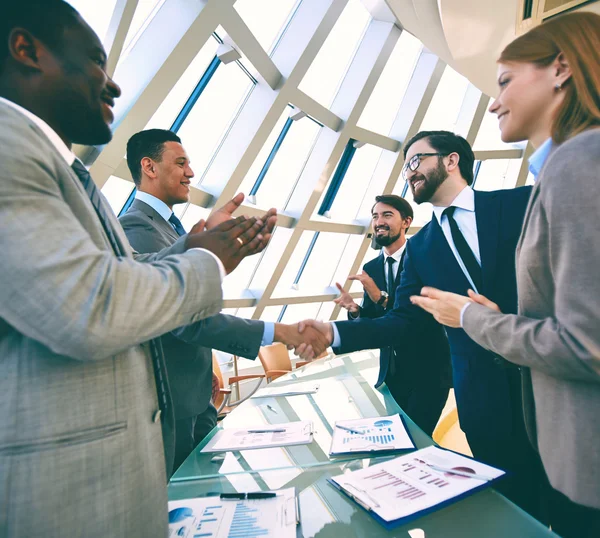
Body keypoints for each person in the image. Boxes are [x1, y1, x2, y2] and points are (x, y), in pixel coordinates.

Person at [0, 2, 275, 536]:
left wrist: (197, 244)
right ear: (25, 50)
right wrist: (207, 258)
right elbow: (89, 306)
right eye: (95, 61)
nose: (113, 86)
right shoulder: (10, 148)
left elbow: (113, 276)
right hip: (63, 497)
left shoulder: (60, 167)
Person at [410, 12, 600, 538]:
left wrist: (471, 317)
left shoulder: (580, 162)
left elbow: (588, 344)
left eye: (504, 81)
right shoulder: (572, 165)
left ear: (561, 68)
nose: (493, 102)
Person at [296, 131, 548, 520]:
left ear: (451, 161)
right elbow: (404, 321)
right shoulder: (422, 246)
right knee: (513, 514)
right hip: (485, 404)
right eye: (405, 167)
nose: (408, 173)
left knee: (574, 512)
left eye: (415, 161)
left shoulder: (519, 203)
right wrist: (334, 333)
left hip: (550, 387)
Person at [121, 128, 329, 474]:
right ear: (150, 167)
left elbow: (191, 302)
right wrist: (284, 332)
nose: (190, 172)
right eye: (181, 163)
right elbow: (185, 318)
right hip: (173, 404)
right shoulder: (136, 226)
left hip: (195, 394)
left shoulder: (169, 229)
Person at [334, 194, 451, 435]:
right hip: (392, 374)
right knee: (397, 439)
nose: (379, 222)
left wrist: (381, 297)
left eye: (387, 215)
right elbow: (377, 322)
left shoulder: (423, 259)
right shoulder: (372, 268)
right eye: (375, 216)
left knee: (418, 438)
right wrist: (356, 311)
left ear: (406, 222)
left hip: (427, 372)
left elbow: (420, 317)